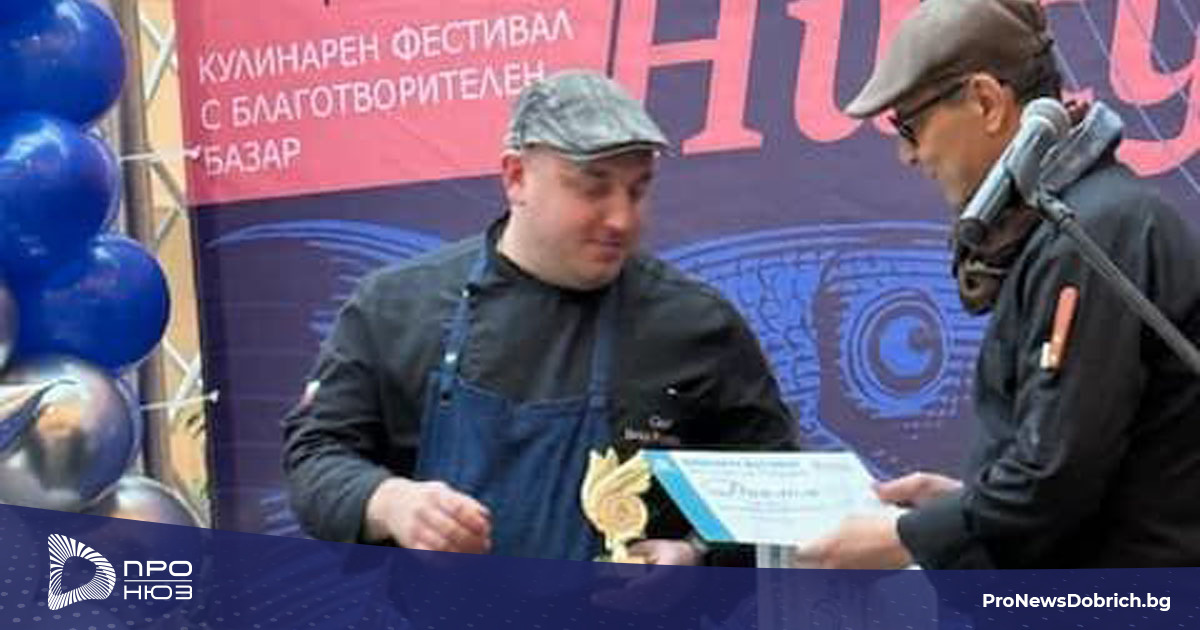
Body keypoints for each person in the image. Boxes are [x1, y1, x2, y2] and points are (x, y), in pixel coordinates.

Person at [282, 69, 797, 564]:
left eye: (638, 190)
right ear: (516, 177)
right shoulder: (394, 307)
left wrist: (696, 555)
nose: (621, 218)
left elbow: (781, 493)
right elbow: (316, 454)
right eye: (593, 187)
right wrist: (389, 502)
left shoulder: (698, 325)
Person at [797, 0, 1200, 569]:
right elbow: (1082, 473)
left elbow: (1054, 479)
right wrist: (962, 505)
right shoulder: (1079, 225)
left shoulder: (1092, 234)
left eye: (910, 126)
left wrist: (908, 539)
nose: (908, 154)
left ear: (986, 101)